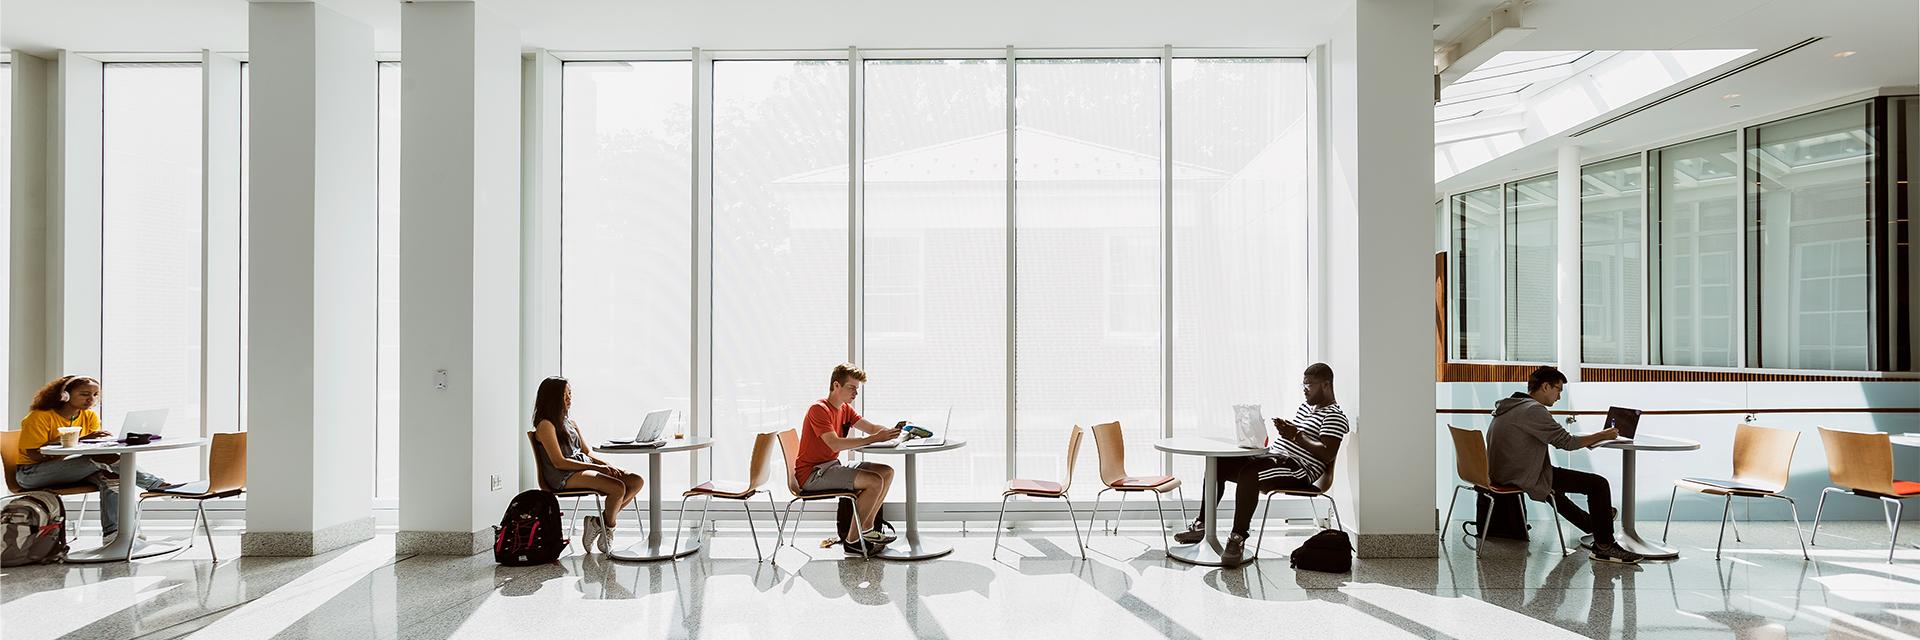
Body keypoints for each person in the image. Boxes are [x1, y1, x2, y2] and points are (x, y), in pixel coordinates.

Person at [1173, 363, 1349, 560]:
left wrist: (1296, 435)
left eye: (1309, 385)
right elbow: (1296, 438)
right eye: (1303, 385)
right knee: (1218, 464)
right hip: (1275, 458)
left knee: (1251, 473)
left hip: (1298, 470)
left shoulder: (1335, 416)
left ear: (1326, 385)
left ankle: (1237, 538)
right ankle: (1202, 526)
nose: (1304, 390)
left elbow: (1327, 454)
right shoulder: (1305, 409)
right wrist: (1285, 432)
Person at [1487, 365, 1642, 564]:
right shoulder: (1533, 410)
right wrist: (1603, 435)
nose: (1559, 396)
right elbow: (1566, 443)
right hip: (1522, 474)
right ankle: (1604, 546)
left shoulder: (1510, 405)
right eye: (1558, 389)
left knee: (1553, 487)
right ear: (1545, 387)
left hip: (1504, 471)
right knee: (1598, 484)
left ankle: (1592, 523)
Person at [15, 375, 175, 544]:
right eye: (84, 394)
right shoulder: (39, 417)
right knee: (99, 459)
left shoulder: (89, 416)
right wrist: (80, 441)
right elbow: (34, 454)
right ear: (64, 395)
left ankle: (115, 534)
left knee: (113, 476)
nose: (91, 399)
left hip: (69, 470)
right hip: (31, 473)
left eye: (95, 394)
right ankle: (157, 485)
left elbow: (93, 448)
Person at [792, 363, 901, 553]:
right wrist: (874, 438)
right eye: (851, 388)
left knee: (886, 472)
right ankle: (853, 540)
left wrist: (892, 432)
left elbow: (872, 428)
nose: (855, 394)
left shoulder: (845, 409)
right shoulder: (818, 409)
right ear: (836, 385)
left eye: (857, 389)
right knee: (874, 481)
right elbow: (834, 443)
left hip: (832, 466)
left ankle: (867, 530)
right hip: (813, 475)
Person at [530, 376, 646, 554]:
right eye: (564, 395)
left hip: (582, 468)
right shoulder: (546, 425)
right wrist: (596, 468)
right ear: (552, 398)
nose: (569, 398)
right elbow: (558, 462)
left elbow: (586, 451)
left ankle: (598, 523)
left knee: (636, 480)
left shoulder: (571, 423)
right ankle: (609, 526)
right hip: (562, 476)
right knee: (617, 488)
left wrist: (607, 465)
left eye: (570, 393)